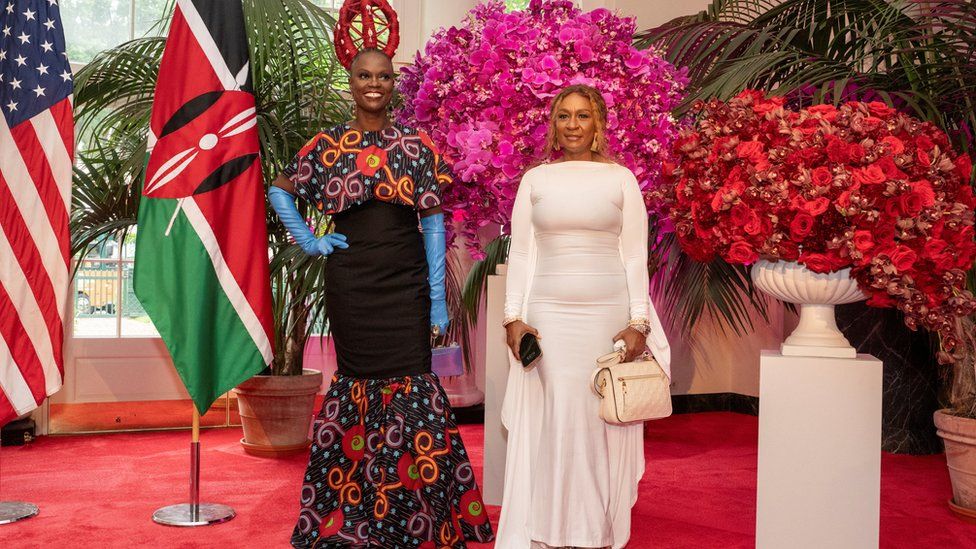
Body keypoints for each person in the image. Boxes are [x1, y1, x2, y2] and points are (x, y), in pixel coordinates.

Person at [270, 44, 493, 548]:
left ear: (395, 84)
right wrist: (309, 239)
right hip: (352, 285)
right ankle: (356, 519)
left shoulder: (417, 146)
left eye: (385, 76)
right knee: (357, 385)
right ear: (350, 82)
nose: (375, 83)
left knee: (413, 387)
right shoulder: (328, 145)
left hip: (406, 283)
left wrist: (436, 299)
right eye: (365, 75)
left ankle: (417, 518)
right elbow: (280, 189)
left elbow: (433, 225)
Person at [495, 85, 672, 549]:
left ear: (599, 125)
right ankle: (549, 531)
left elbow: (635, 256)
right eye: (564, 116)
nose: (572, 124)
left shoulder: (621, 179)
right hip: (549, 315)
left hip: (605, 314)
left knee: (597, 420)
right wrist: (513, 318)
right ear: (553, 124)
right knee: (556, 416)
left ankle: (592, 531)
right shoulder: (535, 179)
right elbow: (523, 256)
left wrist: (639, 323)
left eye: (583, 116)